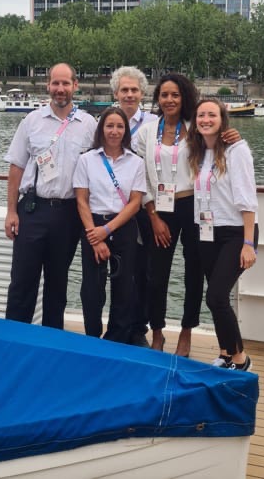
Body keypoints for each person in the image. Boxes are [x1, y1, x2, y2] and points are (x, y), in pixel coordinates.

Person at [137, 73, 241, 356]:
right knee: (156, 275)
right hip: (160, 209)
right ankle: (157, 332)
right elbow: (138, 175)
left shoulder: (195, 127)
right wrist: (153, 215)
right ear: (157, 98)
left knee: (194, 274)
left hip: (195, 207)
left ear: (184, 98)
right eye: (164, 95)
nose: (169, 100)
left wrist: (231, 136)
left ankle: (186, 331)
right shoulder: (147, 130)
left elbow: (221, 144)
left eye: (175, 95)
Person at [4, 63, 97, 329]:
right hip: (33, 209)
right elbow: (16, 167)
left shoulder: (88, 124)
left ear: (75, 86)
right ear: (48, 85)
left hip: (69, 214)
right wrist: (11, 211)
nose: (60, 89)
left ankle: (51, 339)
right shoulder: (32, 121)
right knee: (23, 280)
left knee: (58, 283)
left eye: (65, 83)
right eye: (55, 83)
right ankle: (15, 339)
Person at [188, 99, 259, 371]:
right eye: (201, 115)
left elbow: (247, 198)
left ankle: (241, 360)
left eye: (212, 115)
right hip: (207, 232)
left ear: (222, 119)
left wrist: (248, 243)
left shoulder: (236, 150)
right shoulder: (198, 152)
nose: (206, 119)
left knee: (216, 296)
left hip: (235, 233)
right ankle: (226, 352)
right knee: (217, 297)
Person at [73, 107, 146, 344]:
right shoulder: (86, 160)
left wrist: (107, 230)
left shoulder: (136, 162)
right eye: (109, 126)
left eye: (119, 126)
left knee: (124, 286)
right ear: (101, 129)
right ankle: (92, 335)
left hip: (122, 226)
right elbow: (81, 199)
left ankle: (117, 337)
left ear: (125, 131)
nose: (114, 131)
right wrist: (96, 236)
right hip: (92, 225)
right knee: (92, 287)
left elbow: (135, 203)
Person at [110, 66, 157, 347]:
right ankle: (117, 326)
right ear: (115, 93)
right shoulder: (104, 122)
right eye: (124, 90)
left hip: (146, 206)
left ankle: (139, 327)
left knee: (144, 270)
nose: (129, 95)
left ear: (142, 93)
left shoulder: (154, 123)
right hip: (113, 208)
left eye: (134, 90)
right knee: (117, 270)